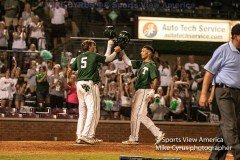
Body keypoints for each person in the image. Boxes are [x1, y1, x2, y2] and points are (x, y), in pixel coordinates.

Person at [199, 23, 240, 160]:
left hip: (238, 93)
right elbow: (209, 73)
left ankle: (214, 157)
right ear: (235, 36)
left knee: (227, 127)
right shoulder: (223, 49)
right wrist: (204, 94)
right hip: (224, 92)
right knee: (230, 125)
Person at [70, 39, 121, 144]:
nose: (95, 47)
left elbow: (71, 69)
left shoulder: (79, 57)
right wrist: (115, 51)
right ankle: (85, 135)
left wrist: (68, 79)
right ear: (89, 47)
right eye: (93, 45)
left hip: (79, 84)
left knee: (83, 111)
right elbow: (109, 58)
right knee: (92, 110)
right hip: (89, 84)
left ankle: (80, 135)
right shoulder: (93, 55)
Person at [120, 45, 165, 146]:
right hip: (139, 90)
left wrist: (153, 90)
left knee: (137, 115)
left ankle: (134, 138)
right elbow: (128, 62)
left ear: (149, 53)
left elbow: (156, 79)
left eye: (143, 51)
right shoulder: (141, 63)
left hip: (145, 90)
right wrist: (121, 51)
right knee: (139, 115)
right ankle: (158, 134)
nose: (141, 52)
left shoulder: (151, 65)